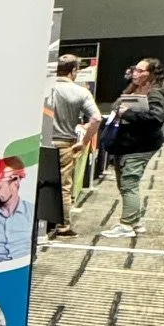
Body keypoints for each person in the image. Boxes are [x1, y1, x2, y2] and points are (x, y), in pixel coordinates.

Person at [105, 57, 164, 236]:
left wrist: (129, 113)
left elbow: (156, 120)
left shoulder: (155, 93)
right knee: (125, 183)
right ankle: (135, 220)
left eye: (141, 71)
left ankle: (126, 225)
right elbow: (118, 105)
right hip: (127, 144)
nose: (136, 73)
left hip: (140, 146)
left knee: (129, 183)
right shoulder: (134, 88)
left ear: (151, 74)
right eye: (135, 69)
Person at [47, 56, 101, 238]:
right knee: (63, 186)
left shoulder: (44, 88)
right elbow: (96, 118)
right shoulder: (80, 92)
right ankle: (63, 226)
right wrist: (84, 141)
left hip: (40, 142)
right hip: (65, 143)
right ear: (74, 71)